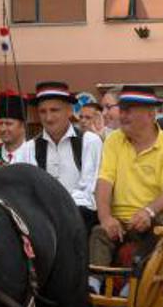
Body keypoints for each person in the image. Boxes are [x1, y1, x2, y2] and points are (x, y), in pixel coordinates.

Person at [89, 86, 163, 281]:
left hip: (157, 217)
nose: (122, 115)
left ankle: (134, 289)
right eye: (121, 109)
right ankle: (93, 290)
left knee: (160, 230)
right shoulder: (113, 140)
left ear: (151, 114)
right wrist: (106, 217)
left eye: (128, 110)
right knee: (98, 232)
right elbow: (104, 181)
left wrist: (148, 212)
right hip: (122, 222)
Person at [14, 81, 102, 229]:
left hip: (81, 222)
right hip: (43, 225)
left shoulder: (89, 142)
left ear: (69, 111)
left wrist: (60, 208)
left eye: (54, 110)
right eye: (43, 111)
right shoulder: (28, 149)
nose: (48, 118)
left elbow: (90, 190)